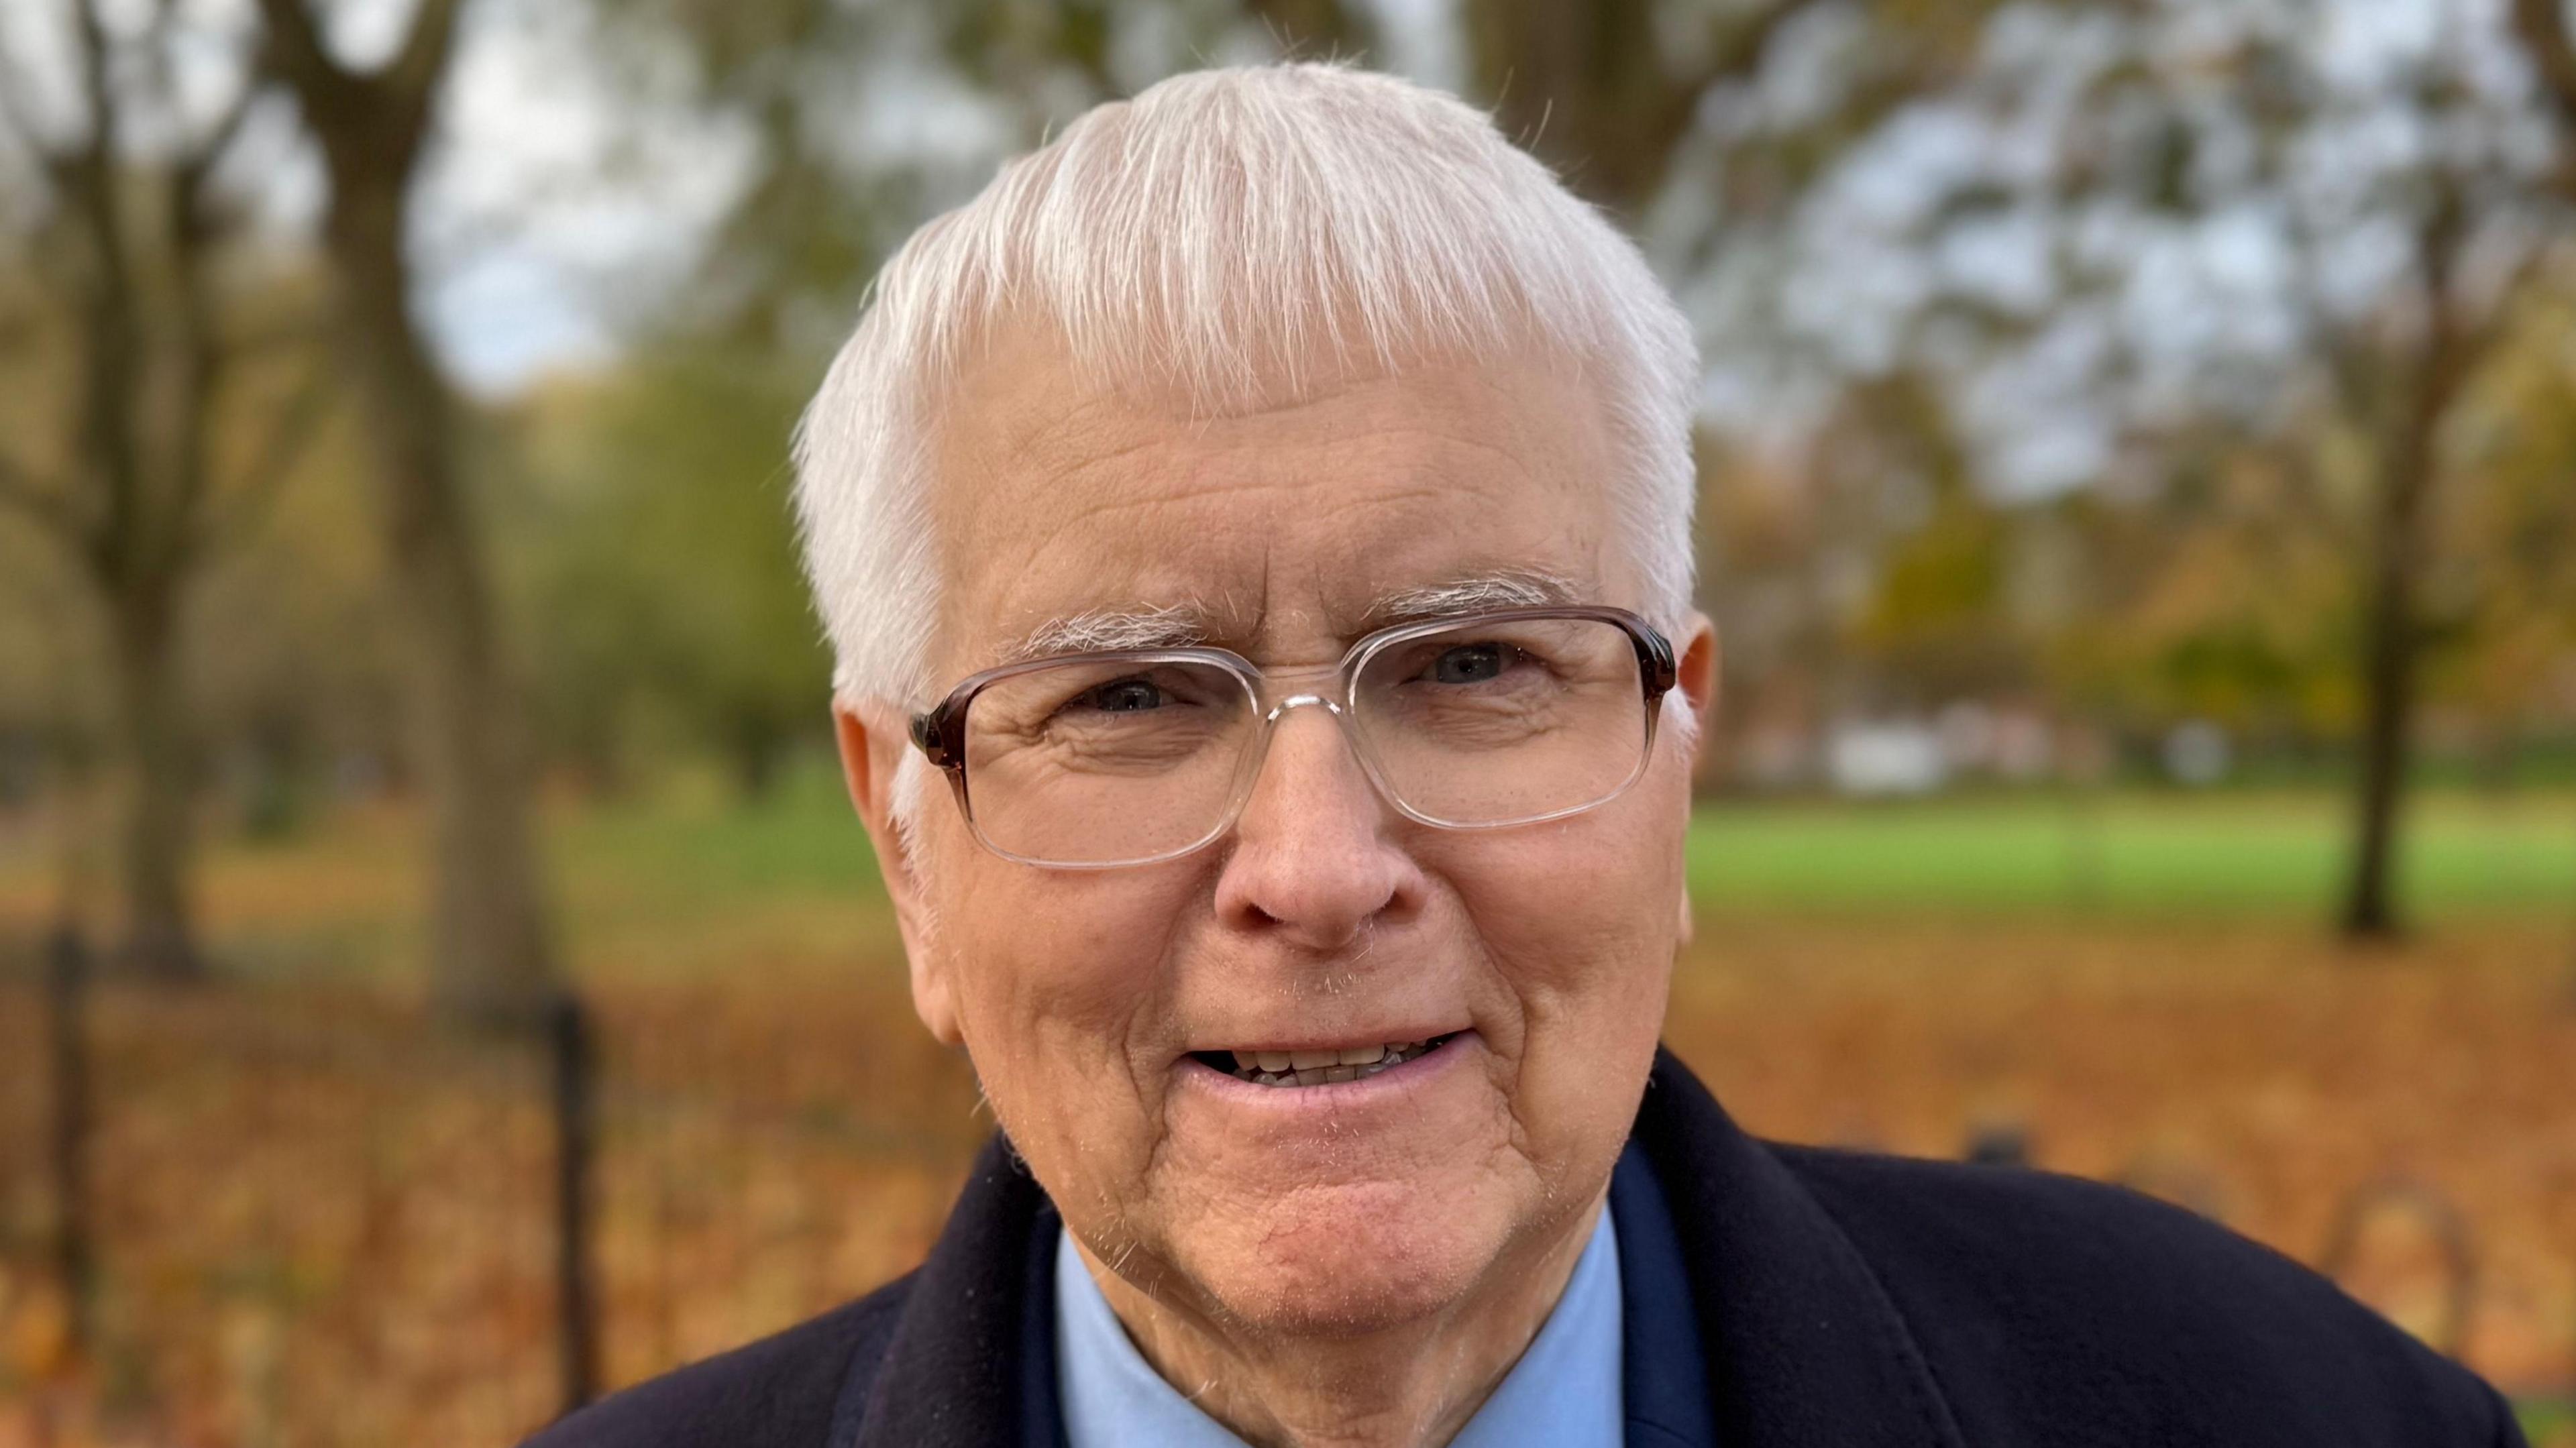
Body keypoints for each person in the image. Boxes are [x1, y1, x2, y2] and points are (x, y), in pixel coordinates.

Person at [528, 62, 2525, 1448]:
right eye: (1128, 698)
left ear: (1674, 767)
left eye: (1473, 662)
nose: (1315, 869)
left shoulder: (2291, 1422)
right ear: (907, 847)